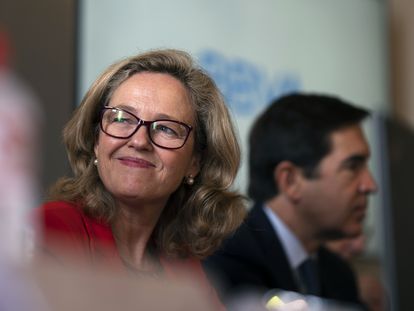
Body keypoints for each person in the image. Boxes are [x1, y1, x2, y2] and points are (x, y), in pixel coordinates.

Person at [32, 49, 246, 308]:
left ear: (194, 163)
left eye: (167, 128)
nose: (139, 141)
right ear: (96, 140)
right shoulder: (52, 229)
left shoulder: (186, 268)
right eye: (122, 118)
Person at [203, 93, 378, 309]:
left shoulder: (338, 274)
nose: (370, 185)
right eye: (352, 167)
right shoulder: (223, 265)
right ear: (290, 181)